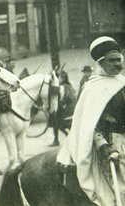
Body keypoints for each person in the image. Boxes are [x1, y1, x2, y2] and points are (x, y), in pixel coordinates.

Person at [57, 36, 125, 206]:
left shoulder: (122, 82)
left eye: (120, 59)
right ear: (101, 63)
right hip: (108, 146)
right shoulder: (93, 88)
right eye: (113, 61)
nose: (118, 64)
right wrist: (102, 145)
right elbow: (87, 125)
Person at [50, 70, 76, 147]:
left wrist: (59, 104)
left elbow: (64, 97)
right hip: (71, 107)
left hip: (67, 108)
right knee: (60, 123)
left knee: (58, 123)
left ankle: (62, 139)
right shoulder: (69, 85)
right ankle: (69, 137)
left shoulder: (62, 86)